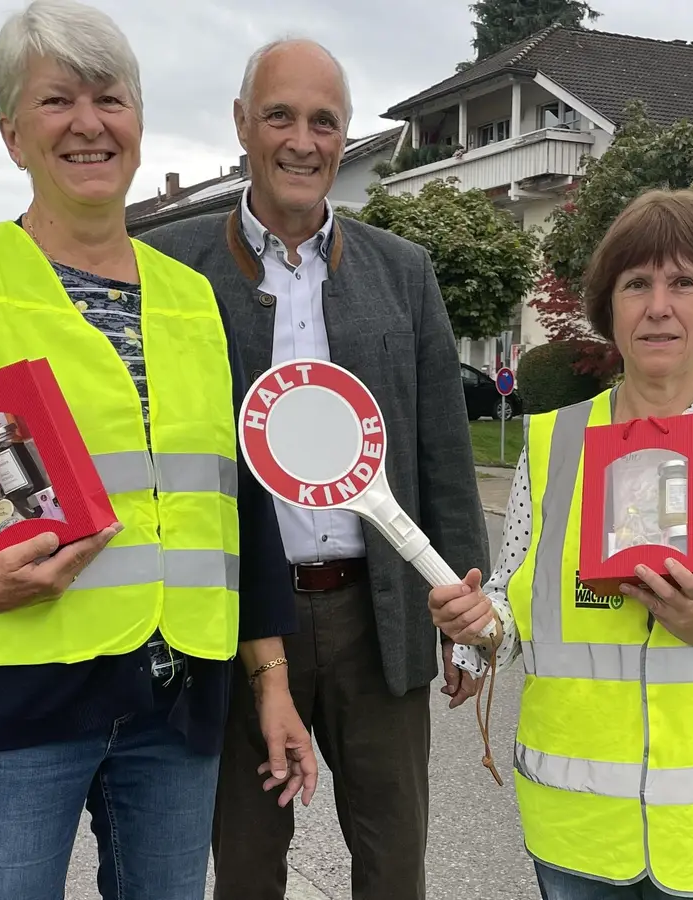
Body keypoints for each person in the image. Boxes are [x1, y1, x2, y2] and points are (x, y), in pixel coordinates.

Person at [0, 3, 315, 897]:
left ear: (138, 124)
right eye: (58, 100)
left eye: (111, 98)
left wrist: (272, 682)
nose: (89, 123)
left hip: (175, 705)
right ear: (12, 133)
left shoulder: (195, 302)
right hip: (17, 700)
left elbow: (238, 508)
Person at [138, 37, 491, 900]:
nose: (303, 141)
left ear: (345, 136)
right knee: (249, 862)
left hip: (379, 615)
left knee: (393, 862)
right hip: (241, 622)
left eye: (324, 121)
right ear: (242, 126)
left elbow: (441, 450)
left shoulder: (402, 272)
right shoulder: (173, 266)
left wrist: (465, 610)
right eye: (280, 116)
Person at [431, 188, 693, 900]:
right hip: (579, 832)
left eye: (684, 282)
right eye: (637, 284)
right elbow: (514, 607)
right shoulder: (554, 446)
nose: (659, 305)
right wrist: (477, 628)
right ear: (611, 309)